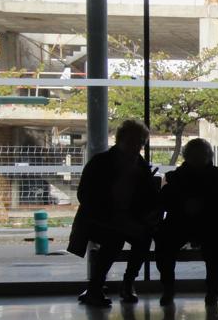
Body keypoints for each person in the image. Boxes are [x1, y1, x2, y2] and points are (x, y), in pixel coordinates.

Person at [68, 120, 160, 307]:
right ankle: (122, 284)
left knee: (138, 236)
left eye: (140, 142)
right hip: (99, 220)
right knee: (118, 238)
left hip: (116, 220)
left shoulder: (127, 165)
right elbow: (86, 196)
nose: (136, 146)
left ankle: (107, 286)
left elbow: (150, 199)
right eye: (133, 141)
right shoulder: (104, 163)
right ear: (120, 140)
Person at [154, 138, 218, 306]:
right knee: (212, 250)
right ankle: (212, 291)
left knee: (164, 246)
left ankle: (168, 288)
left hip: (181, 225)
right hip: (210, 225)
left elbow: (164, 203)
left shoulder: (175, 178)